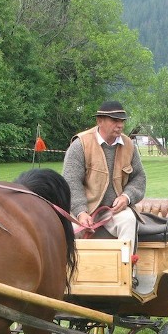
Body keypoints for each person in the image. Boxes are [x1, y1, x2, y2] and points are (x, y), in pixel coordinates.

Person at [62, 101, 147, 252]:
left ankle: (126, 272)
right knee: (70, 229)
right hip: (84, 210)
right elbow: (71, 182)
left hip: (116, 211)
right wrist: (80, 212)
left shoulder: (129, 145)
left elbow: (139, 178)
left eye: (122, 121)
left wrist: (127, 197)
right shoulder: (80, 144)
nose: (120, 125)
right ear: (99, 121)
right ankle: (76, 274)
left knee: (129, 220)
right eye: (115, 120)